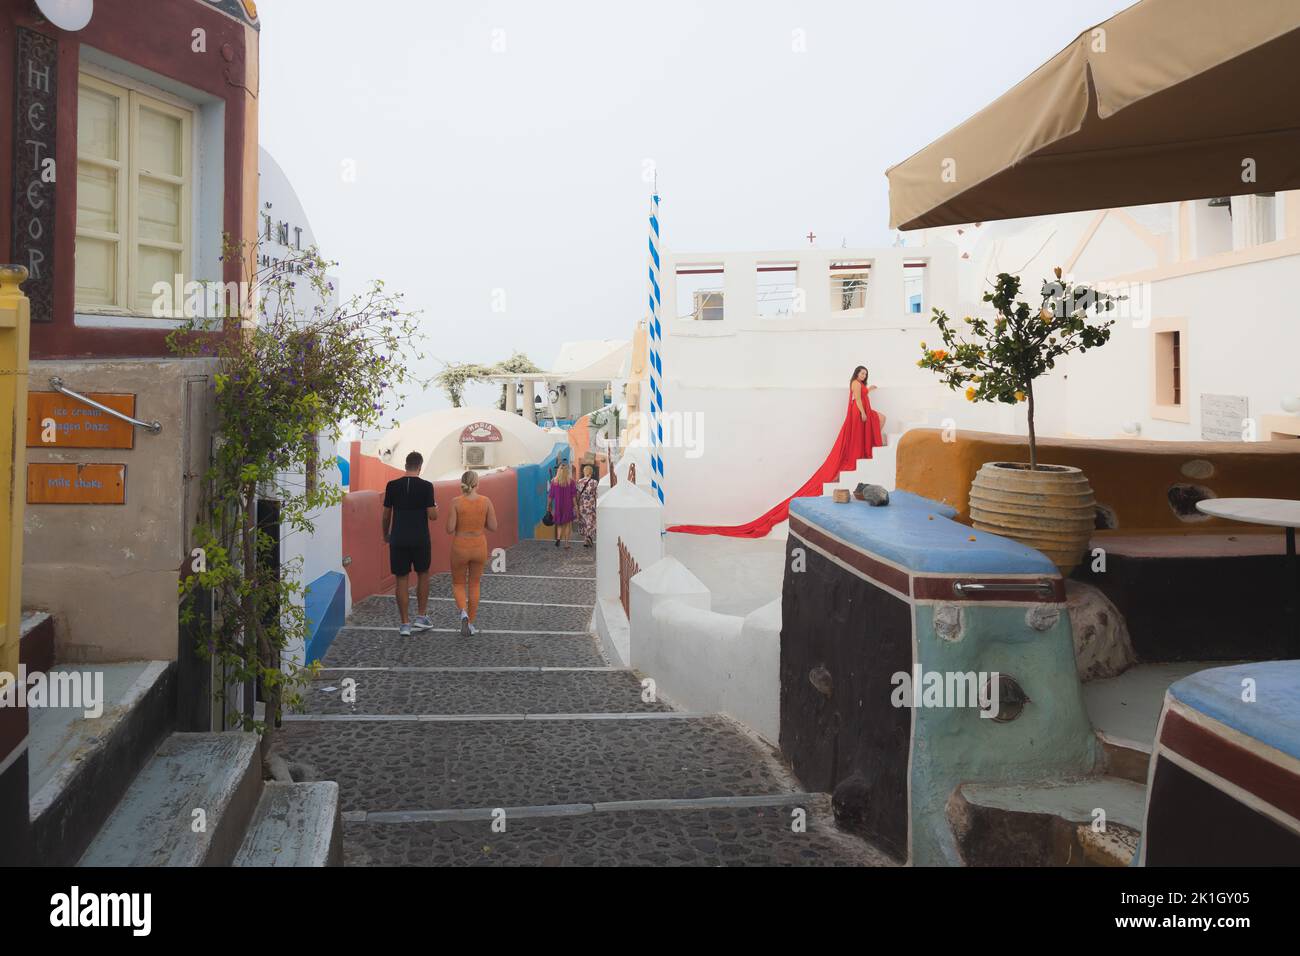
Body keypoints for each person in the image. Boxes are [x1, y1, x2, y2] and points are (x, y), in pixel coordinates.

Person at [382, 451, 437, 636]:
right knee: (422, 575)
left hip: (398, 538)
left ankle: (405, 623)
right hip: (420, 538)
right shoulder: (427, 486)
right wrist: (435, 507)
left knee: (401, 579)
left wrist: (386, 534)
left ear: (406, 465)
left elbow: (386, 514)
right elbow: (432, 515)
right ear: (420, 467)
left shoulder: (392, 486)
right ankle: (421, 617)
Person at [447, 470, 497, 636]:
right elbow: (493, 526)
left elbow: (449, 529)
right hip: (479, 546)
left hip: (460, 546)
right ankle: (471, 623)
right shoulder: (486, 501)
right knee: (475, 584)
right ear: (477, 483)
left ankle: (463, 613)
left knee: (458, 584)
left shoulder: (456, 502)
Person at [840, 365, 885, 471]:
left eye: (865, 374)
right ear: (857, 373)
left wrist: (869, 389)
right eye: (862, 373)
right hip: (860, 411)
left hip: (865, 410)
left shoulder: (859, 383)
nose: (864, 376)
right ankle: (872, 443)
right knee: (878, 421)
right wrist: (863, 413)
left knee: (881, 419)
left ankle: (871, 442)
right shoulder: (855, 383)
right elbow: (858, 399)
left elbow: (862, 393)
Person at [548, 462, 578, 549]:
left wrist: (548, 505)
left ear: (558, 471)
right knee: (568, 524)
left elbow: (550, 496)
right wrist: (576, 506)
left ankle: (558, 538)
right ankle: (567, 544)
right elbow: (573, 496)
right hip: (568, 506)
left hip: (558, 506)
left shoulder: (554, 481)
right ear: (567, 471)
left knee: (560, 524)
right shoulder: (571, 482)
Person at [575, 462, 599, 547]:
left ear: (584, 472)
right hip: (591, 505)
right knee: (590, 521)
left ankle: (586, 540)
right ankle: (588, 536)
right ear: (591, 472)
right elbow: (596, 495)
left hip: (582, 504)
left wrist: (576, 505)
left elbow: (577, 494)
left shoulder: (579, 481)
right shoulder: (594, 482)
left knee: (584, 522)